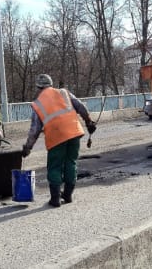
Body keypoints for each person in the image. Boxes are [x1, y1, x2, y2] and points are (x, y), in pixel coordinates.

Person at [21, 74, 96, 208]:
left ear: (38, 87)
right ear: (51, 84)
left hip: (56, 137)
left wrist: (28, 147)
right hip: (74, 132)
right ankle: (68, 195)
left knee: (55, 166)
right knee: (71, 162)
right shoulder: (64, 92)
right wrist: (89, 121)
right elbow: (80, 107)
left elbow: (35, 129)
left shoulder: (38, 103)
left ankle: (55, 199)